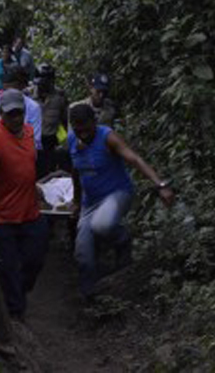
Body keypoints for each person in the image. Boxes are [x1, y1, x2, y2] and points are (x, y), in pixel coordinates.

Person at [68, 104, 174, 299]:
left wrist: (161, 185)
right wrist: (76, 201)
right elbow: (76, 171)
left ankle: (122, 240)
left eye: (86, 128)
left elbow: (134, 159)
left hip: (117, 193)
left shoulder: (107, 137)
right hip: (90, 202)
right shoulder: (73, 140)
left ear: (94, 122)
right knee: (82, 255)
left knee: (102, 225)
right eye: (77, 129)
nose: (82, 133)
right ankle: (90, 298)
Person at [0, 89, 49, 320]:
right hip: (2, 216)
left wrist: (34, 185)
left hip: (30, 211)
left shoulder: (28, 132)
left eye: (19, 113)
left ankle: (20, 293)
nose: (15, 118)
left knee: (35, 259)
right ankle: (16, 315)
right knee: (7, 268)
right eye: (10, 115)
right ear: (1, 114)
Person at [0, 66, 43, 153]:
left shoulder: (33, 107)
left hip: (24, 153)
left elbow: (35, 140)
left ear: (21, 85)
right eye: (5, 88)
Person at [29, 63, 68, 175]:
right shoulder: (29, 94)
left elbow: (65, 119)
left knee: (49, 172)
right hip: (32, 140)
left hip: (50, 140)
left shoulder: (60, 96)